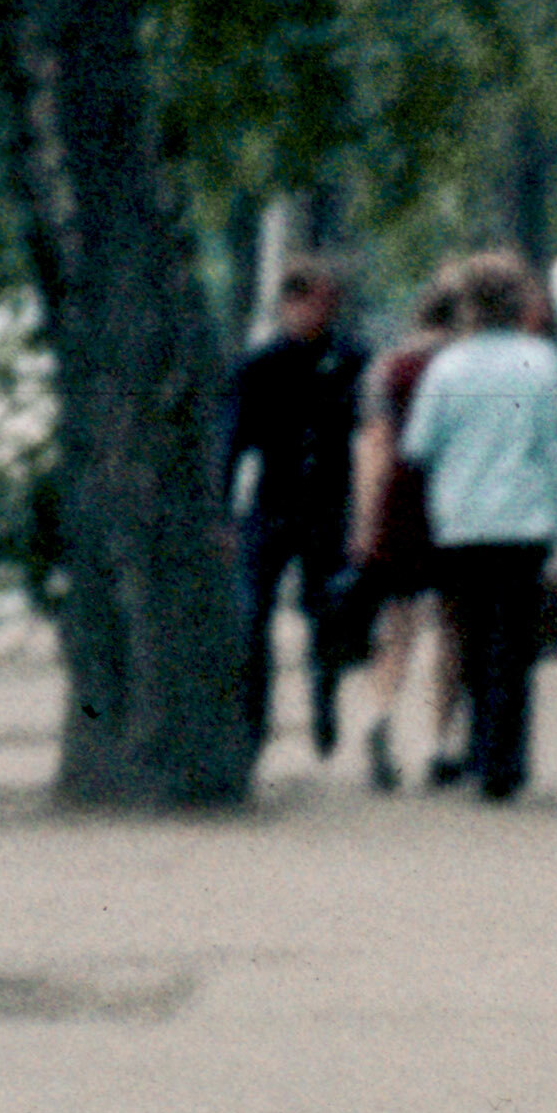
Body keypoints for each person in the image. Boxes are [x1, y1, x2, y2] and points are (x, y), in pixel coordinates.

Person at [402, 249, 557, 802]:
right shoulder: (542, 361)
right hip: (524, 518)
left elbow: (418, 446)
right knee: (514, 643)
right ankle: (508, 757)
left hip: (459, 520)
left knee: (472, 639)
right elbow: (550, 447)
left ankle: (479, 750)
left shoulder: (446, 367)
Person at [221, 255, 372, 760]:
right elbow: (232, 443)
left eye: (327, 304)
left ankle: (323, 708)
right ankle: (251, 722)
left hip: (328, 506)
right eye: (309, 303)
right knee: (251, 619)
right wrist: (222, 514)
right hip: (273, 503)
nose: (319, 314)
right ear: (289, 304)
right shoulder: (258, 366)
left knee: (325, 615)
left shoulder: (352, 359)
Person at [344, 273, 465, 790]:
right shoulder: (461, 367)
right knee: (451, 625)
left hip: (398, 498)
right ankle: (438, 744)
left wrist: (365, 521)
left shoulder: (388, 367)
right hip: (454, 501)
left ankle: (378, 713)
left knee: (397, 624)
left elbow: (374, 443)